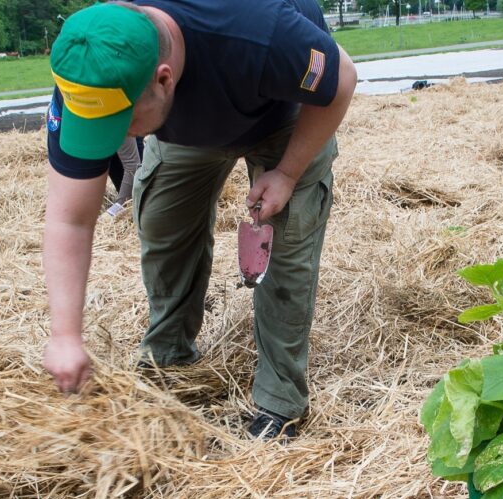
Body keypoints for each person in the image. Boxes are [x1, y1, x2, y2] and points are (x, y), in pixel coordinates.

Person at [41, 0, 356, 440]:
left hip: (282, 109)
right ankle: (168, 360)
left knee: (286, 246)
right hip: (187, 124)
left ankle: (279, 399)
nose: (114, 141)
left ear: (163, 79)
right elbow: (69, 219)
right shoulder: (92, 66)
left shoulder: (260, 34)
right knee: (162, 219)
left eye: (122, 124)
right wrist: (66, 336)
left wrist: (286, 173)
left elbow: (341, 78)